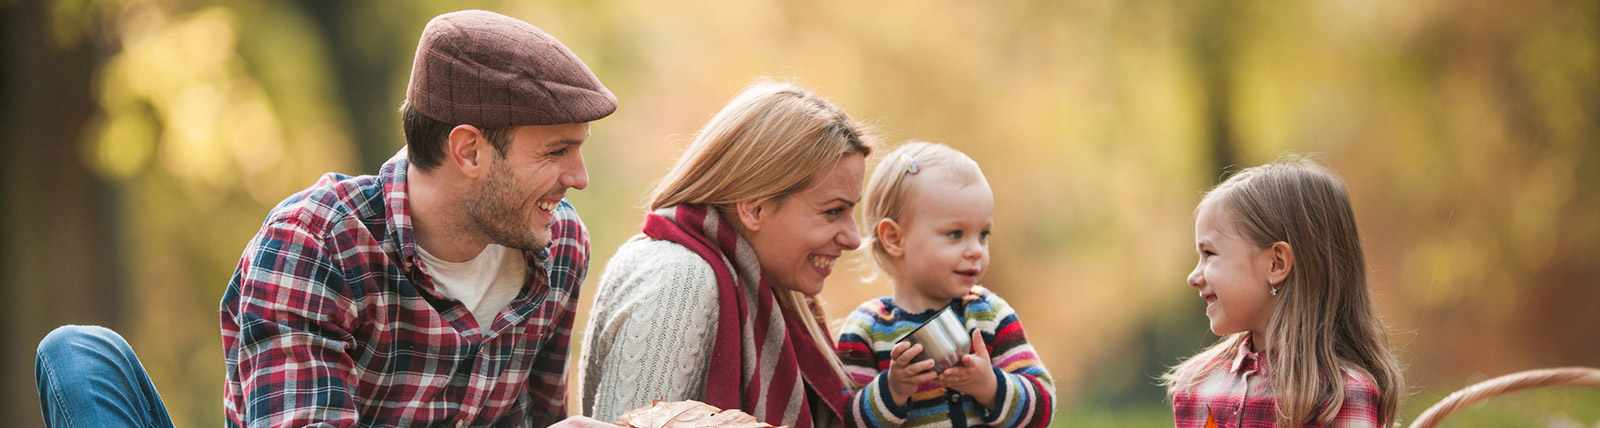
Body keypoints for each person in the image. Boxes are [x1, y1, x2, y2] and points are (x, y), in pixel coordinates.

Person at [35, 10, 618, 428]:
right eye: (555, 152)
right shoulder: (312, 244)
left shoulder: (559, 248)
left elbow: (540, 417)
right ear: (468, 151)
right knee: (80, 354)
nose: (578, 176)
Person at [576, 81, 874, 428]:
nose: (854, 239)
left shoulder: (768, 287)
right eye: (833, 211)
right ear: (754, 208)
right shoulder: (679, 279)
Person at [1162, 156, 1403, 428]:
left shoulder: (1341, 396)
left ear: (1276, 264)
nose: (1193, 277)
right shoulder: (1196, 384)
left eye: (1209, 253)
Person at [834, 141, 1056, 428]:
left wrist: (989, 386)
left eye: (983, 234)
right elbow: (842, 419)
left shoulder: (989, 315)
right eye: (955, 234)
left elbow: (1043, 408)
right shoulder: (867, 330)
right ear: (895, 239)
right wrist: (893, 391)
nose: (976, 250)